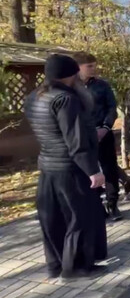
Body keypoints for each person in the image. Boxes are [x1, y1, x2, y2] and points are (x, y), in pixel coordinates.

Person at [25, 54, 107, 279]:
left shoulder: (34, 97)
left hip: (48, 166)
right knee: (80, 216)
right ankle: (77, 267)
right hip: (71, 168)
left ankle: (56, 264)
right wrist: (93, 170)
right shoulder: (65, 99)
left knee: (54, 218)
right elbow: (76, 140)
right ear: (70, 75)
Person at [74, 52, 130, 220]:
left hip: (103, 133)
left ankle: (112, 204)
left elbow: (111, 108)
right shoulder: (72, 87)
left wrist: (105, 127)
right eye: (89, 66)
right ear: (78, 67)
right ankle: (96, 205)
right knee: (86, 171)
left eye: (95, 65)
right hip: (81, 136)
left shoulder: (102, 86)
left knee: (109, 168)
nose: (94, 69)